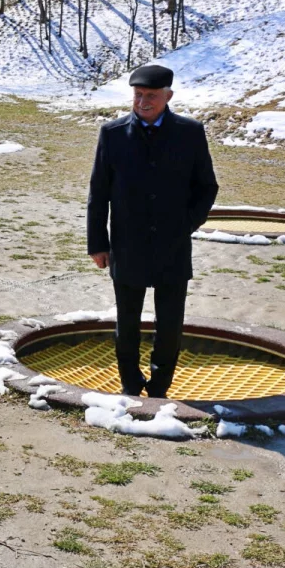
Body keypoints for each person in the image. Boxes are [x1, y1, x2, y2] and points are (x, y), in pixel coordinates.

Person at [87, 64, 219, 399]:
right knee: (127, 323)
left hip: (173, 246)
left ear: (168, 96)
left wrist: (186, 224)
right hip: (126, 245)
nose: (143, 102)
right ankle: (130, 383)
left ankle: (160, 385)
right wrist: (98, 244)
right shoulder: (112, 133)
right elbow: (98, 194)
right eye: (138, 95)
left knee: (170, 323)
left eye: (151, 96)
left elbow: (206, 187)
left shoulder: (190, 132)